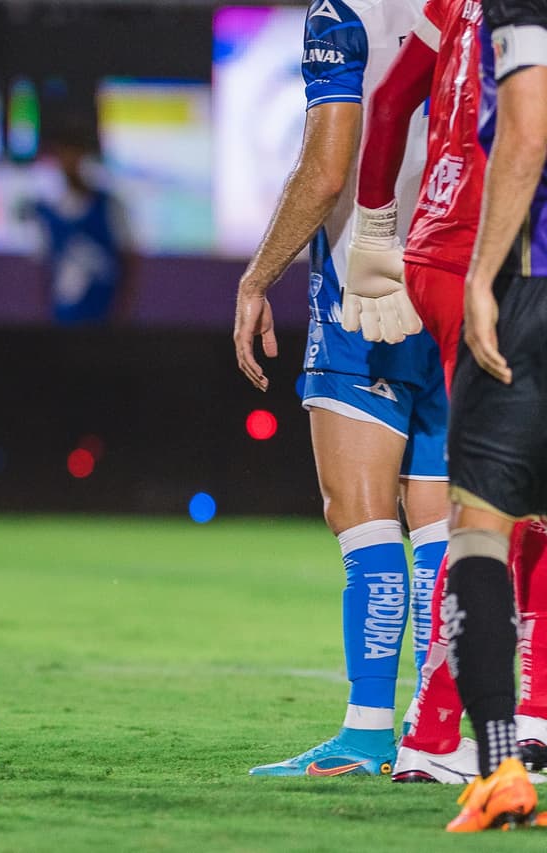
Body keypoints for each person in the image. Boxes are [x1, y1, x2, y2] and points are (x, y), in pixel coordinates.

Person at [233, 0, 451, 776]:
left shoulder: (345, 11)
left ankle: (365, 732)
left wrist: (258, 275)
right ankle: (438, 733)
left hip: (367, 288)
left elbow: (329, 170)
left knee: (362, 523)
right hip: (459, 277)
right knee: (441, 528)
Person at [352, 0, 547, 783]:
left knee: (513, 504)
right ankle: (441, 732)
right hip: (498, 253)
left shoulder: (450, 5)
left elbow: (393, 97)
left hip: (441, 242)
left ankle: (521, 716)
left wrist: (375, 229)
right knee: (494, 513)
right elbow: (526, 127)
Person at [439, 0, 547, 830]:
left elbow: (527, 129)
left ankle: (502, 764)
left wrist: (482, 276)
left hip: (534, 286)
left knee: (480, 527)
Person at [33, 116, 137, 326]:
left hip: (104, 322)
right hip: (62, 323)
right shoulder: (47, 210)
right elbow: (42, 272)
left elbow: (130, 261)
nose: (70, 161)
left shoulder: (110, 206)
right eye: (64, 153)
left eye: (76, 152)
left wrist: (123, 314)